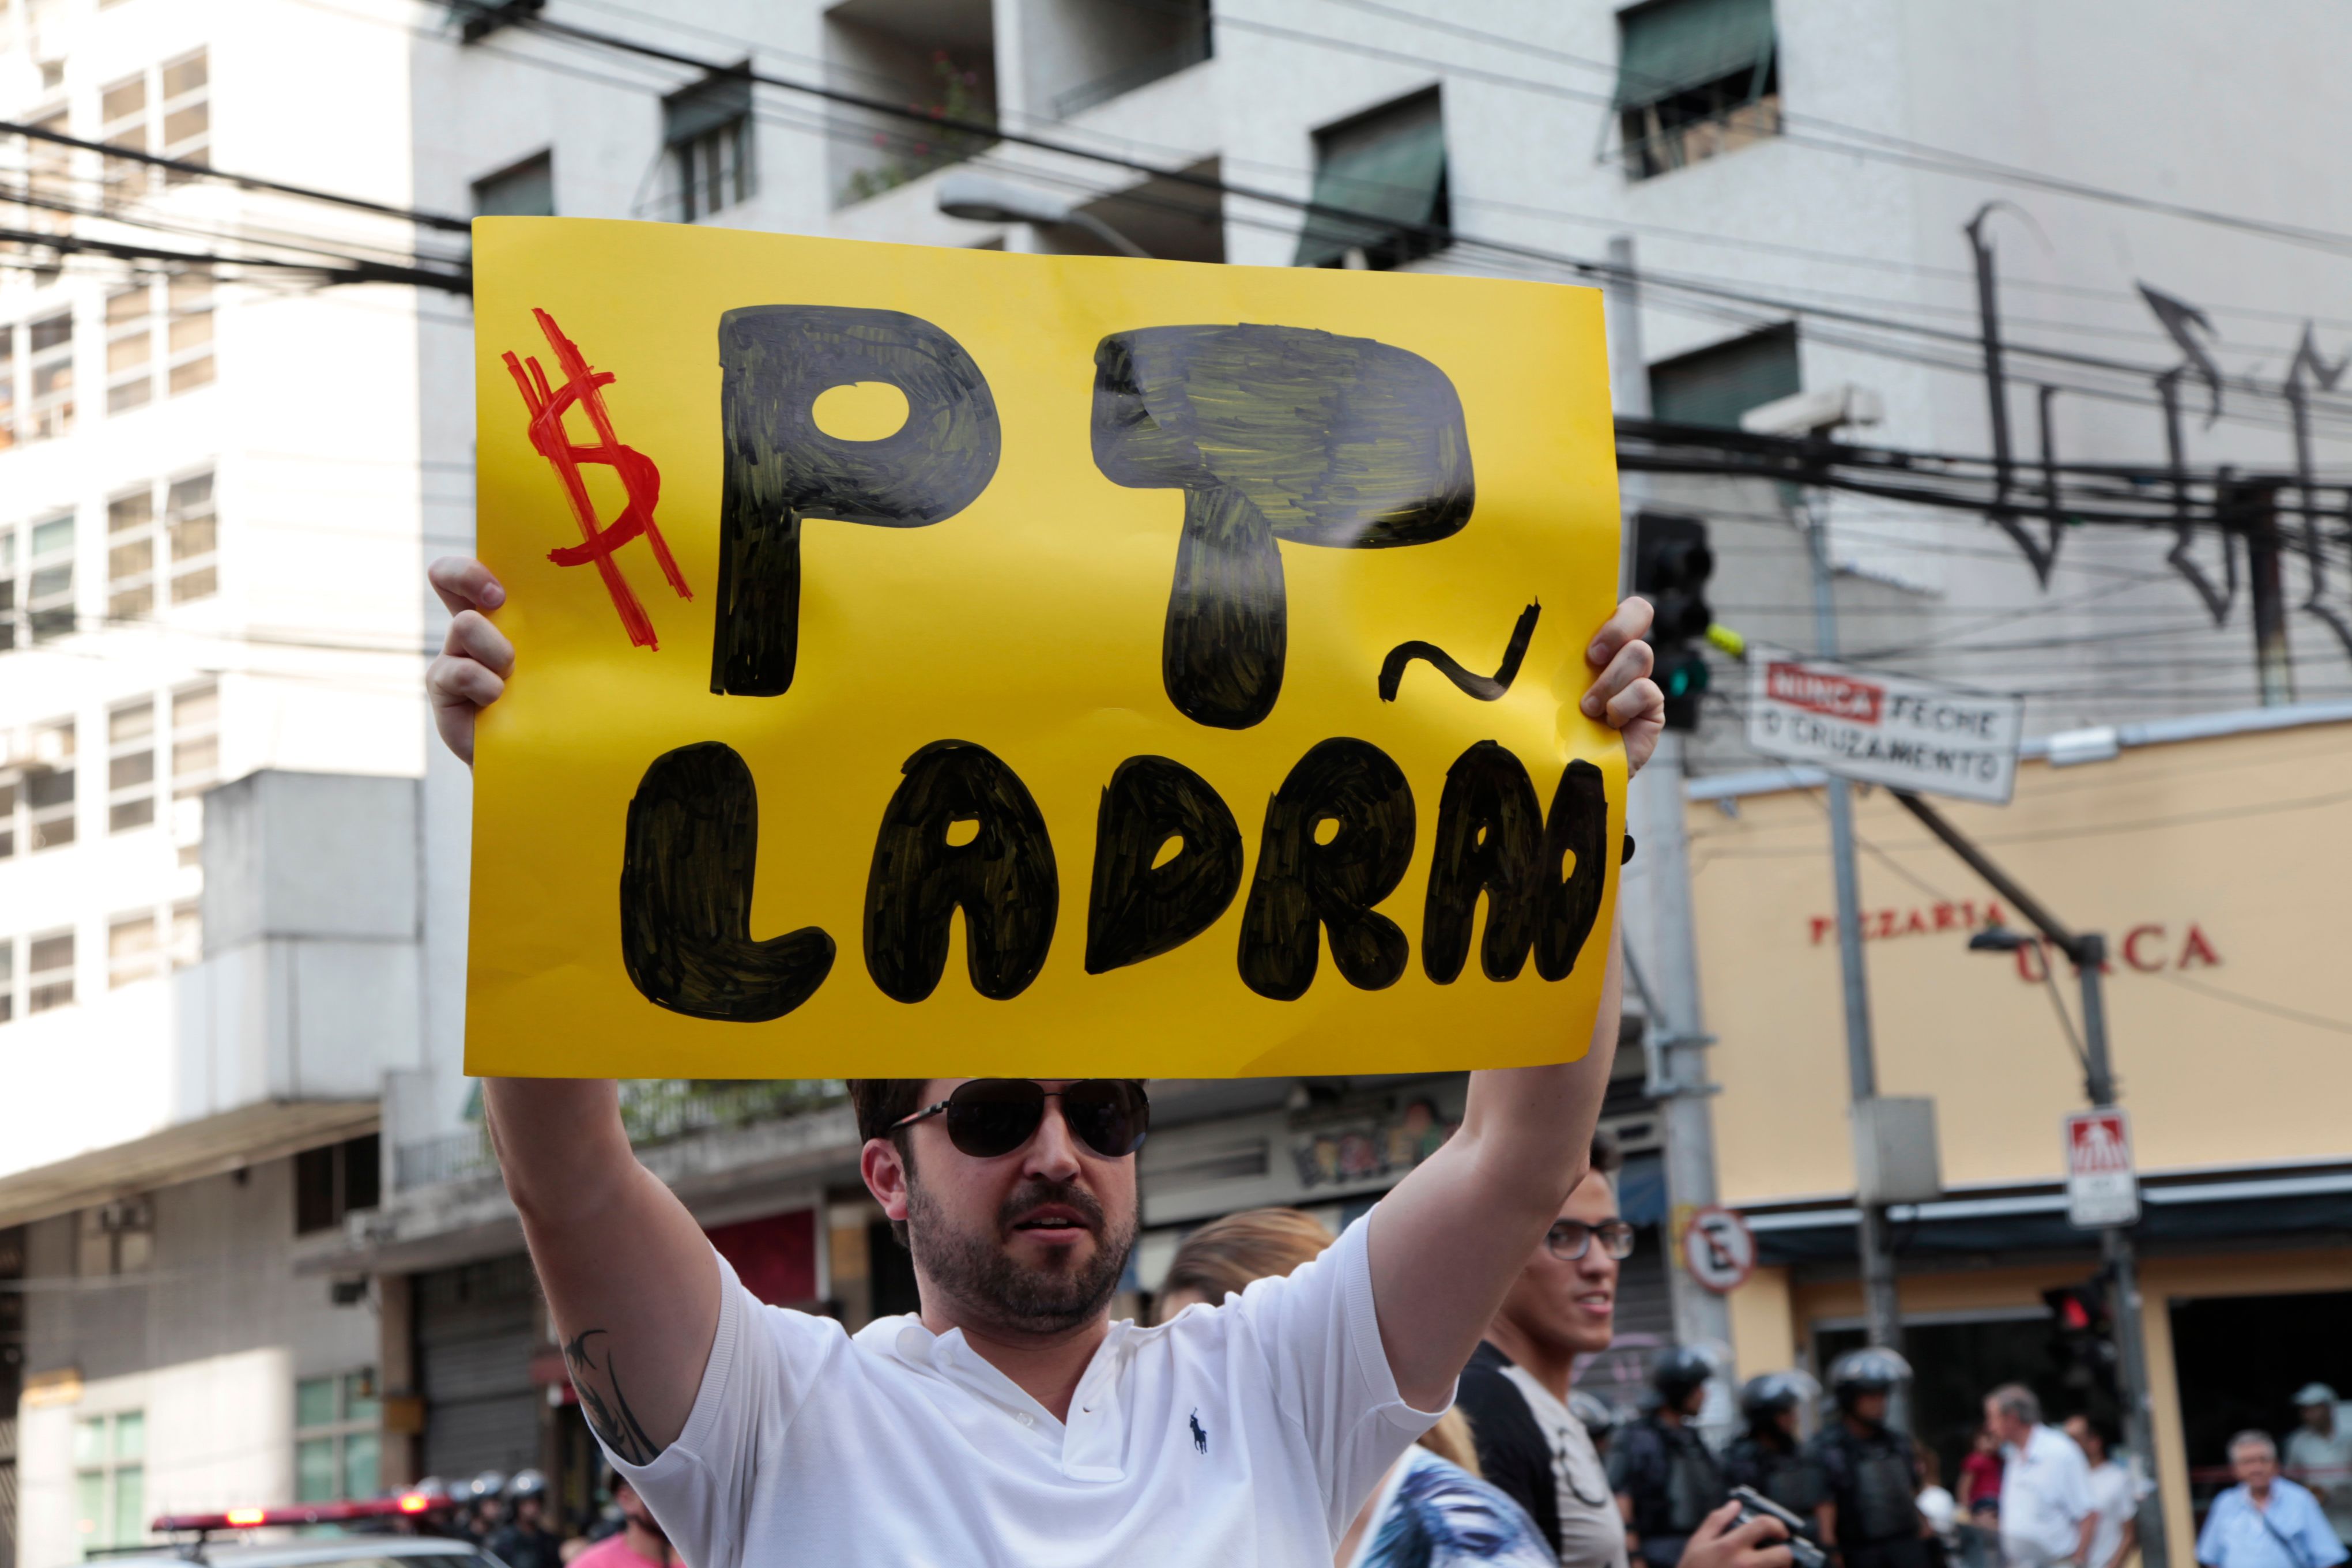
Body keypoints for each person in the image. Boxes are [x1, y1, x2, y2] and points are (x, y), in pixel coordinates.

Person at [424, 553, 1667, 1565]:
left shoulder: (1275, 1383)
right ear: (887, 1172)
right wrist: (535, 797)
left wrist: (1579, 800)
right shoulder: (770, 1412)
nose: (1060, 1152)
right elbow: (571, 1170)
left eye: (1107, 1110)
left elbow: (1519, 1153)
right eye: (997, 1114)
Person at [1450, 1129, 1788, 1568]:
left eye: (1609, 1234)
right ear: (1492, 1249)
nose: (1600, 1263)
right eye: (1565, 1235)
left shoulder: (1544, 1406)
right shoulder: (1485, 1406)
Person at [1152, 1205, 1554, 1568]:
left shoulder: (1457, 1531)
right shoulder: (1228, 1514)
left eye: (1213, 1362)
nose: (1189, 1392)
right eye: (1177, 1366)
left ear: (1308, 1339)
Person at [1807, 1348, 1931, 1568]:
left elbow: (1910, 1494)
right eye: (1871, 1396)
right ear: (1850, 1399)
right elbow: (1825, 1506)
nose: (1879, 1403)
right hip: (1859, 1553)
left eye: (1882, 1395)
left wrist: (1925, 1529)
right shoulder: (1828, 1448)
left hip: (1905, 1549)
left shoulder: (1896, 1442)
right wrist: (1832, 1552)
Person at [1613, 1348, 1730, 1568]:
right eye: (1697, 1389)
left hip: (1699, 1548)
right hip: (1658, 1553)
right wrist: (1635, 1557)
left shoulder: (1690, 1437)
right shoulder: (1638, 1438)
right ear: (1679, 1391)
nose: (1704, 1395)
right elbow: (1622, 1499)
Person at [2196, 1431, 2348, 1568]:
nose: (2257, 1468)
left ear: (2276, 1464)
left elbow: (2329, 1559)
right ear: (2235, 1469)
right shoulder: (2225, 1503)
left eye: (2263, 1460)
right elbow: (2210, 1557)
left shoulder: (2299, 1499)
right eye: (2248, 1462)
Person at [1985, 1384, 2094, 1568]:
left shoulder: (2059, 1452)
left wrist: (2077, 1561)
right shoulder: (2013, 1454)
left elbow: (2089, 1514)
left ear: (2012, 1418)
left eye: (1993, 1418)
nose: (1990, 1427)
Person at [1724, 1373, 1826, 1528]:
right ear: (1766, 1417)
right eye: (1785, 1413)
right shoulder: (1741, 1461)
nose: (1794, 1419)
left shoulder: (1801, 1454)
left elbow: (1821, 1502)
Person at [2060, 1416, 2136, 1568]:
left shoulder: (2118, 1479)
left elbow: (2130, 1533)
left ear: (2095, 1442)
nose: (2068, 1446)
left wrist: (2113, 1565)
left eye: (2075, 1439)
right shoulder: (2064, 1479)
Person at [568, 1472, 682, 1568]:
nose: (673, 1498)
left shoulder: (696, 1560)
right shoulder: (593, 1564)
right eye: (659, 1489)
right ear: (626, 1498)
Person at [2287, 1385, 2352, 1550]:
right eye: (2305, 1409)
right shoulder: (2298, 1441)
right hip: (2320, 1524)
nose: (2308, 1414)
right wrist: (2310, 1493)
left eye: (2314, 1408)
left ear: (2329, 1408)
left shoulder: (2349, 1435)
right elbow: (2291, 1479)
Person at [487, 1469, 565, 1568]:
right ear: (516, 1505)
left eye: (536, 1502)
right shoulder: (502, 1541)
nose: (532, 1508)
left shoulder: (550, 1542)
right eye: (526, 1503)